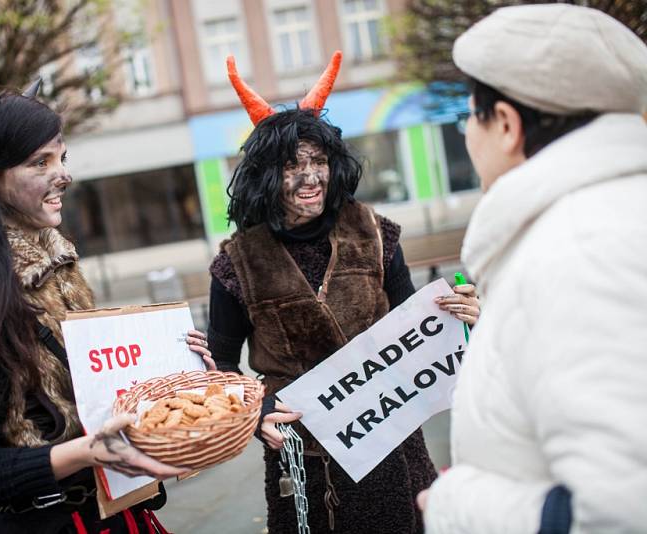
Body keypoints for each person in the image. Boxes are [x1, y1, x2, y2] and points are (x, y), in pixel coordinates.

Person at [0, 70, 214, 533]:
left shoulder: (60, 266)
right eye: (40, 163)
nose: (64, 175)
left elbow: (93, 394)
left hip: (116, 513)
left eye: (62, 157)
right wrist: (83, 453)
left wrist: (176, 370)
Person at [206, 52, 480, 533]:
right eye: (293, 165)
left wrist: (462, 316)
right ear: (267, 176)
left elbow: (418, 328)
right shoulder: (237, 263)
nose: (310, 177)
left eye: (319, 161)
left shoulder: (374, 233)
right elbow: (222, 368)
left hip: (393, 444)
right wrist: (259, 415)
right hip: (304, 460)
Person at [417, 5, 647, 533]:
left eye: (468, 117)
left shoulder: (584, 249)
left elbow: (623, 511)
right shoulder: (597, 223)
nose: (467, 137)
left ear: (505, 125)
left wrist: (457, 508)